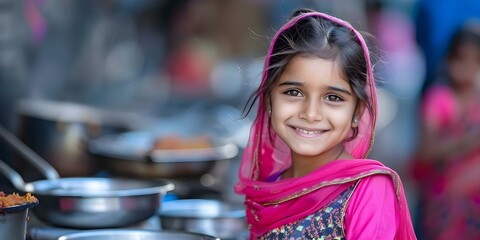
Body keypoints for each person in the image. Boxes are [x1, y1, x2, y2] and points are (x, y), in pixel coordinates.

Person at [234, 9, 416, 240]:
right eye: (293, 92)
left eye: (333, 98)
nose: (311, 114)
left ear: (357, 112)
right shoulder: (271, 187)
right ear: (269, 99)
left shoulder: (369, 190)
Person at [411, 21, 480, 240]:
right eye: (461, 58)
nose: (467, 67)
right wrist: (468, 142)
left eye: (476, 61)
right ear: (448, 58)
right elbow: (426, 151)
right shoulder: (438, 99)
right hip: (443, 204)